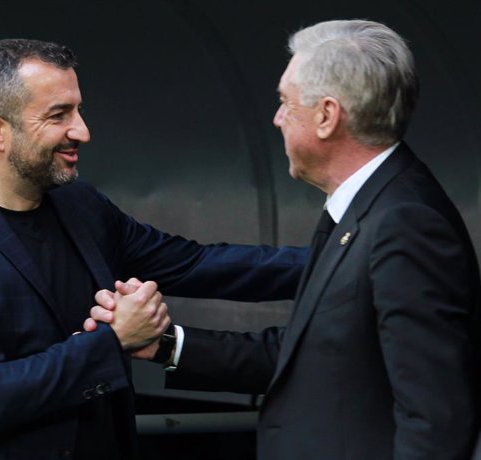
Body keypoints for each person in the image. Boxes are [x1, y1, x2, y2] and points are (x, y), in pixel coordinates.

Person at [0, 38, 306, 459]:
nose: (82, 131)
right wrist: (115, 339)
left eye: (78, 110)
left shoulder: (81, 205)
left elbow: (198, 264)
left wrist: (337, 260)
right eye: (59, 115)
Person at [90, 20, 481, 459]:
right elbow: (308, 354)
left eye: (284, 102)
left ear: (327, 116)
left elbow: (435, 420)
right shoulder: (365, 207)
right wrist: (163, 346)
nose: (276, 119)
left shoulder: (406, 223)